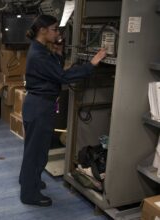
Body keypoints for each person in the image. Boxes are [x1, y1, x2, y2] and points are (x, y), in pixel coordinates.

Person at [19, 15, 107, 207]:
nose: (58, 33)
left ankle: (29, 181)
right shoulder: (39, 54)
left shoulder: (41, 50)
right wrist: (91, 64)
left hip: (40, 105)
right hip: (39, 106)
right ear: (43, 30)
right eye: (54, 29)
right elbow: (62, 76)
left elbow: (54, 71)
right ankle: (29, 193)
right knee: (36, 152)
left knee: (35, 150)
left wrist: (58, 53)